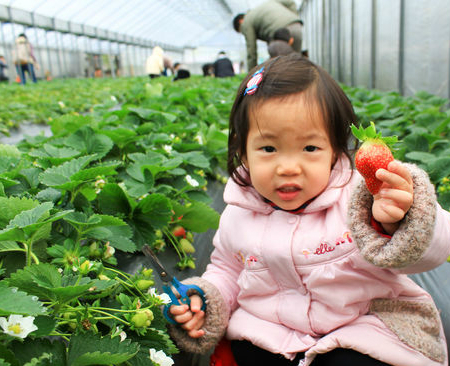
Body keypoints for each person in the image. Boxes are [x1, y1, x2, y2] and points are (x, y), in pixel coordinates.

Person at [167, 54, 450, 366]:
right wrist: (205, 301)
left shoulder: (363, 197)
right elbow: (227, 272)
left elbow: (430, 254)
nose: (288, 168)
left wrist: (401, 221)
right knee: (245, 350)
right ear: (243, 152)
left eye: (310, 148)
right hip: (272, 330)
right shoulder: (237, 214)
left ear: (335, 151)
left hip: (361, 325)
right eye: (268, 149)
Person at [233, 0, 303, 71]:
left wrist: (251, 75)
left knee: (281, 70)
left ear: (240, 21)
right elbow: (290, 2)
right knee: (296, 65)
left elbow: (251, 51)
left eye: (242, 31)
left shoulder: (246, 22)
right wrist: (294, 17)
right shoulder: (264, 7)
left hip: (279, 36)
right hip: (296, 26)